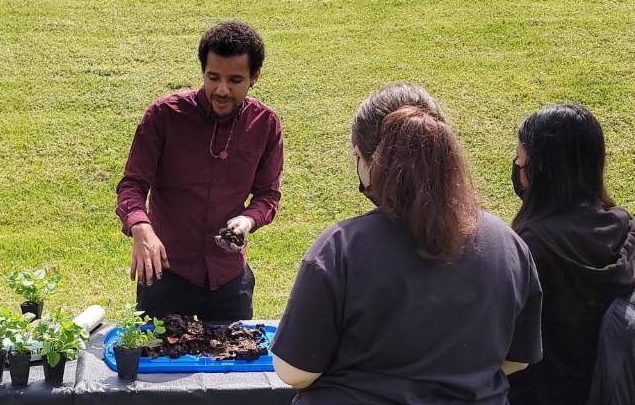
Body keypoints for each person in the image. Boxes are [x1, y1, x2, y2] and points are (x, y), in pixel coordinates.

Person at [271, 84, 542, 404]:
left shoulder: (341, 248)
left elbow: (294, 371)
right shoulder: (507, 244)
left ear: (368, 159)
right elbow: (517, 358)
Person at [115, 21, 283, 321]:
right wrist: (141, 228)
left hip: (229, 280)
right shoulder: (165, 115)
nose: (221, 90)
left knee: (232, 365)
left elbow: (268, 194)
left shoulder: (265, 124)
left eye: (235, 80)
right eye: (213, 77)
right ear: (202, 71)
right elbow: (132, 184)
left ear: (254, 76)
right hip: (166, 275)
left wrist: (248, 220)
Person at [507, 103, 635, 405]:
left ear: (541, 173)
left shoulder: (530, 249)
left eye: (521, 162)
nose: (516, 168)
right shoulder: (624, 228)